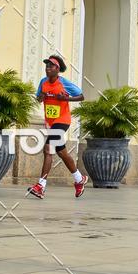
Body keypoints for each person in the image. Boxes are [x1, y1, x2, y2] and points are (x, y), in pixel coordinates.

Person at [28, 55, 87, 199]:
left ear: (57, 69)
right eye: (46, 66)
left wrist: (66, 98)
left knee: (48, 149)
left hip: (62, 120)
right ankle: (79, 179)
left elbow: (81, 96)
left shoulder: (64, 83)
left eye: (51, 66)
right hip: (51, 121)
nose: (48, 68)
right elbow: (39, 98)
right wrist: (41, 96)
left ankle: (41, 186)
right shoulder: (43, 82)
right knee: (62, 153)